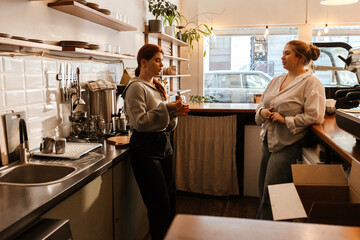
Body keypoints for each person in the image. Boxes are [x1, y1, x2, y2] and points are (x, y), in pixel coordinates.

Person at [122, 44, 189, 240]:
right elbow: (140, 123)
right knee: (158, 205)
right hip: (145, 148)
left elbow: (165, 125)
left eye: (162, 61)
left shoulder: (156, 87)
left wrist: (174, 114)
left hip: (163, 145)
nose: (162, 65)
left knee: (169, 200)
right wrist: (167, 108)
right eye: (157, 60)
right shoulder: (135, 87)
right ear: (143, 62)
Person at [255, 40, 326, 220]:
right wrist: (262, 111)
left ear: (300, 58)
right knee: (262, 190)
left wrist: (285, 120)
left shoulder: (312, 83)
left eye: (287, 53)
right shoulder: (277, 80)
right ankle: (259, 229)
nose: (282, 57)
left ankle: (268, 233)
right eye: (283, 53)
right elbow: (261, 105)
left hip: (287, 144)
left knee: (272, 196)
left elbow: (315, 116)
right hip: (268, 140)